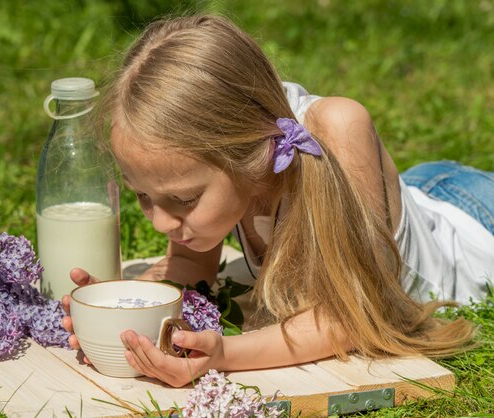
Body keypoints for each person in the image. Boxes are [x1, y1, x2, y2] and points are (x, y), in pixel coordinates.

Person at [61, 14, 494, 388]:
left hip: (474, 216)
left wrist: (225, 355)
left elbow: (349, 317)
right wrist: (121, 314)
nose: (160, 223)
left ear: (249, 158)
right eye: (143, 196)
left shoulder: (336, 130)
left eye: (185, 200)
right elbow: (193, 270)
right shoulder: (213, 154)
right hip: (422, 193)